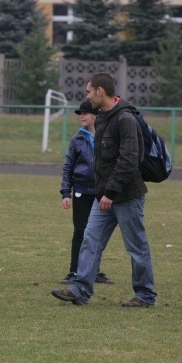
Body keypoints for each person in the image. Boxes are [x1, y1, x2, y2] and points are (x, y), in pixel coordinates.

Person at [52, 72, 157, 307]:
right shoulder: (101, 119)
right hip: (104, 197)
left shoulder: (125, 119)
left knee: (136, 247)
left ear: (100, 91)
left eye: (89, 92)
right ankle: (80, 289)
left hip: (127, 196)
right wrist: (104, 193)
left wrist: (111, 192)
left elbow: (130, 160)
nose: (87, 97)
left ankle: (145, 295)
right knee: (90, 240)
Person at [59, 100, 114, 285]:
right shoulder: (77, 140)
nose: (82, 116)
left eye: (85, 113)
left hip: (101, 193)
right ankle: (74, 271)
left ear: (96, 116)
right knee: (80, 231)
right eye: (80, 113)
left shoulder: (106, 137)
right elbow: (68, 167)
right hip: (81, 191)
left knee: (96, 233)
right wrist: (66, 192)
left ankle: (94, 271)